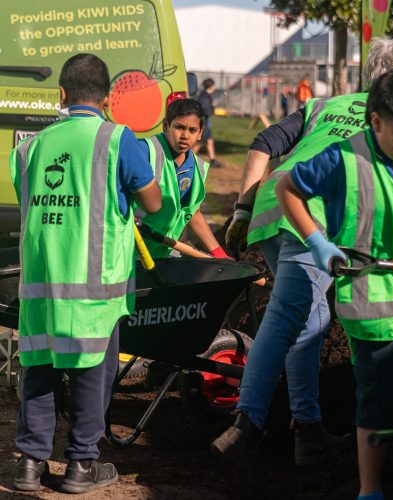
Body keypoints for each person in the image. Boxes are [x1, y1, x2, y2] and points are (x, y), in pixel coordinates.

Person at [213, 39, 393, 480]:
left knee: (312, 320)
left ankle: (308, 428)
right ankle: (245, 425)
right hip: (314, 214)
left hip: (272, 205)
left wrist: (242, 208)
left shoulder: (325, 104)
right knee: (287, 318)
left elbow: (264, 142)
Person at [275, 68, 393, 500]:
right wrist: (317, 241)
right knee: (376, 400)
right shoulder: (341, 158)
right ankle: (370, 490)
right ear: (376, 121)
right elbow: (286, 188)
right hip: (377, 307)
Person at [9, 53, 162, 494]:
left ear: (60, 95)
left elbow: (30, 200)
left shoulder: (30, 147)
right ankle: (81, 466)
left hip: (40, 286)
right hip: (96, 289)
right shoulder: (118, 140)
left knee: (38, 368)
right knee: (91, 373)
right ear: (111, 97)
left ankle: (29, 465)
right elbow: (151, 202)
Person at [138, 98, 229, 259]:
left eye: (192, 130)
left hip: (163, 252)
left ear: (200, 133)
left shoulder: (197, 167)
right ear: (166, 125)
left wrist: (220, 255)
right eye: (179, 127)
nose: (185, 136)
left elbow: (192, 213)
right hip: (132, 251)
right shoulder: (146, 151)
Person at [193, 78, 222, 168]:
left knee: (209, 141)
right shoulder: (204, 96)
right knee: (200, 142)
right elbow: (206, 111)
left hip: (206, 123)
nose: (214, 87)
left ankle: (212, 160)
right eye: (214, 85)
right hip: (203, 123)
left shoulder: (206, 95)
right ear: (211, 86)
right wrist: (213, 106)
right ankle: (187, 158)